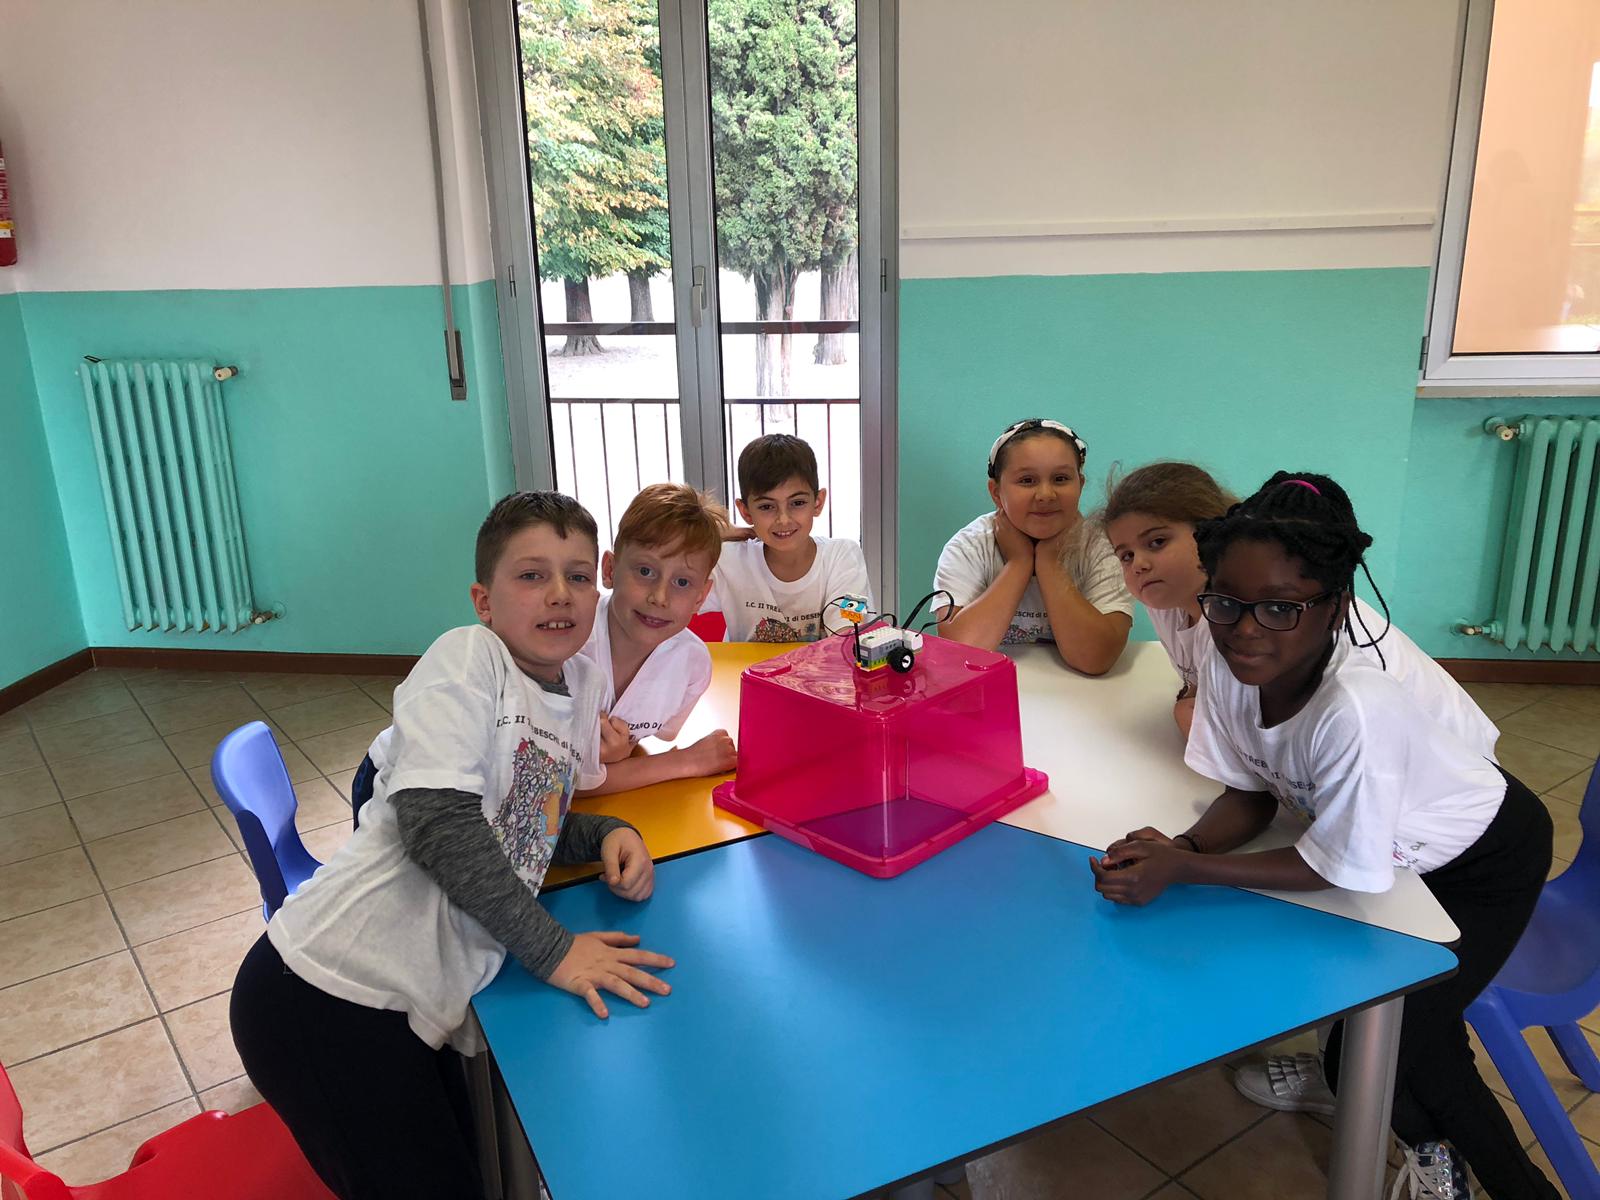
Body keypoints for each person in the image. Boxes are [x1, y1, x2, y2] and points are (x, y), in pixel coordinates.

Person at [1091, 472, 1559, 1200]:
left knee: (1411, 1048)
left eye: (1280, 608)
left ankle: (1511, 1186)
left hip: (1482, 858)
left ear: (1335, 607)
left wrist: (1183, 870)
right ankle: (1399, 1121)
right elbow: (1248, 792)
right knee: (1370, 1044)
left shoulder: (1356, 706)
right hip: (1387, 846)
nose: (1246, 629)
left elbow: (1334, 866)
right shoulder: (1226, 660)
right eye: (1226, 603)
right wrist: (1187, 846)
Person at [230, 492, 672, 1200]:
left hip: (406, 1006)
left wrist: (607, 831)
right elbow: (439, 822)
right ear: (484, 601)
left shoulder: (581, 684)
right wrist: (555, 952)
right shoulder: (468, 658)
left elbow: (523, 821)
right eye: (531, 575)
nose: (560, 594)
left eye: (578, 576)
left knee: (473, 1172)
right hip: (322, 994)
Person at [935, 418, 1132, 674]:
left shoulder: (1101, 547)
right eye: (1027, 480)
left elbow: (1095, 659)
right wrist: (1019, 563)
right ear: (996, 492)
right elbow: (961, 651)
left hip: (1077, 691)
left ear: (1080, 485)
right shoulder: (969, 547)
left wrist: (1049, 563)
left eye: (1060, 478)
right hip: (996, 688)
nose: (1046, 495)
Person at [579, 482, 737, 792]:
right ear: (609, 570)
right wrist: (687, 761)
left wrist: (614, 758)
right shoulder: (567, 648)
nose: (660, 597)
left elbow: (636, 748)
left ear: (701, 596)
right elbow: (557, 782)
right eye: (645, 571)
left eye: (682, 582)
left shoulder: (692, 665)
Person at [705, 433, 872, 642]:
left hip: (825, 664)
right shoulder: (727, 560)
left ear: (818, 502)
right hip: (746, 666)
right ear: (745, 511)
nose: (783, 520)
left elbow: (846, 638)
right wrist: (706, 532)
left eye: (797, 503)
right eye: (767, 506)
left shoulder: (843, 557)